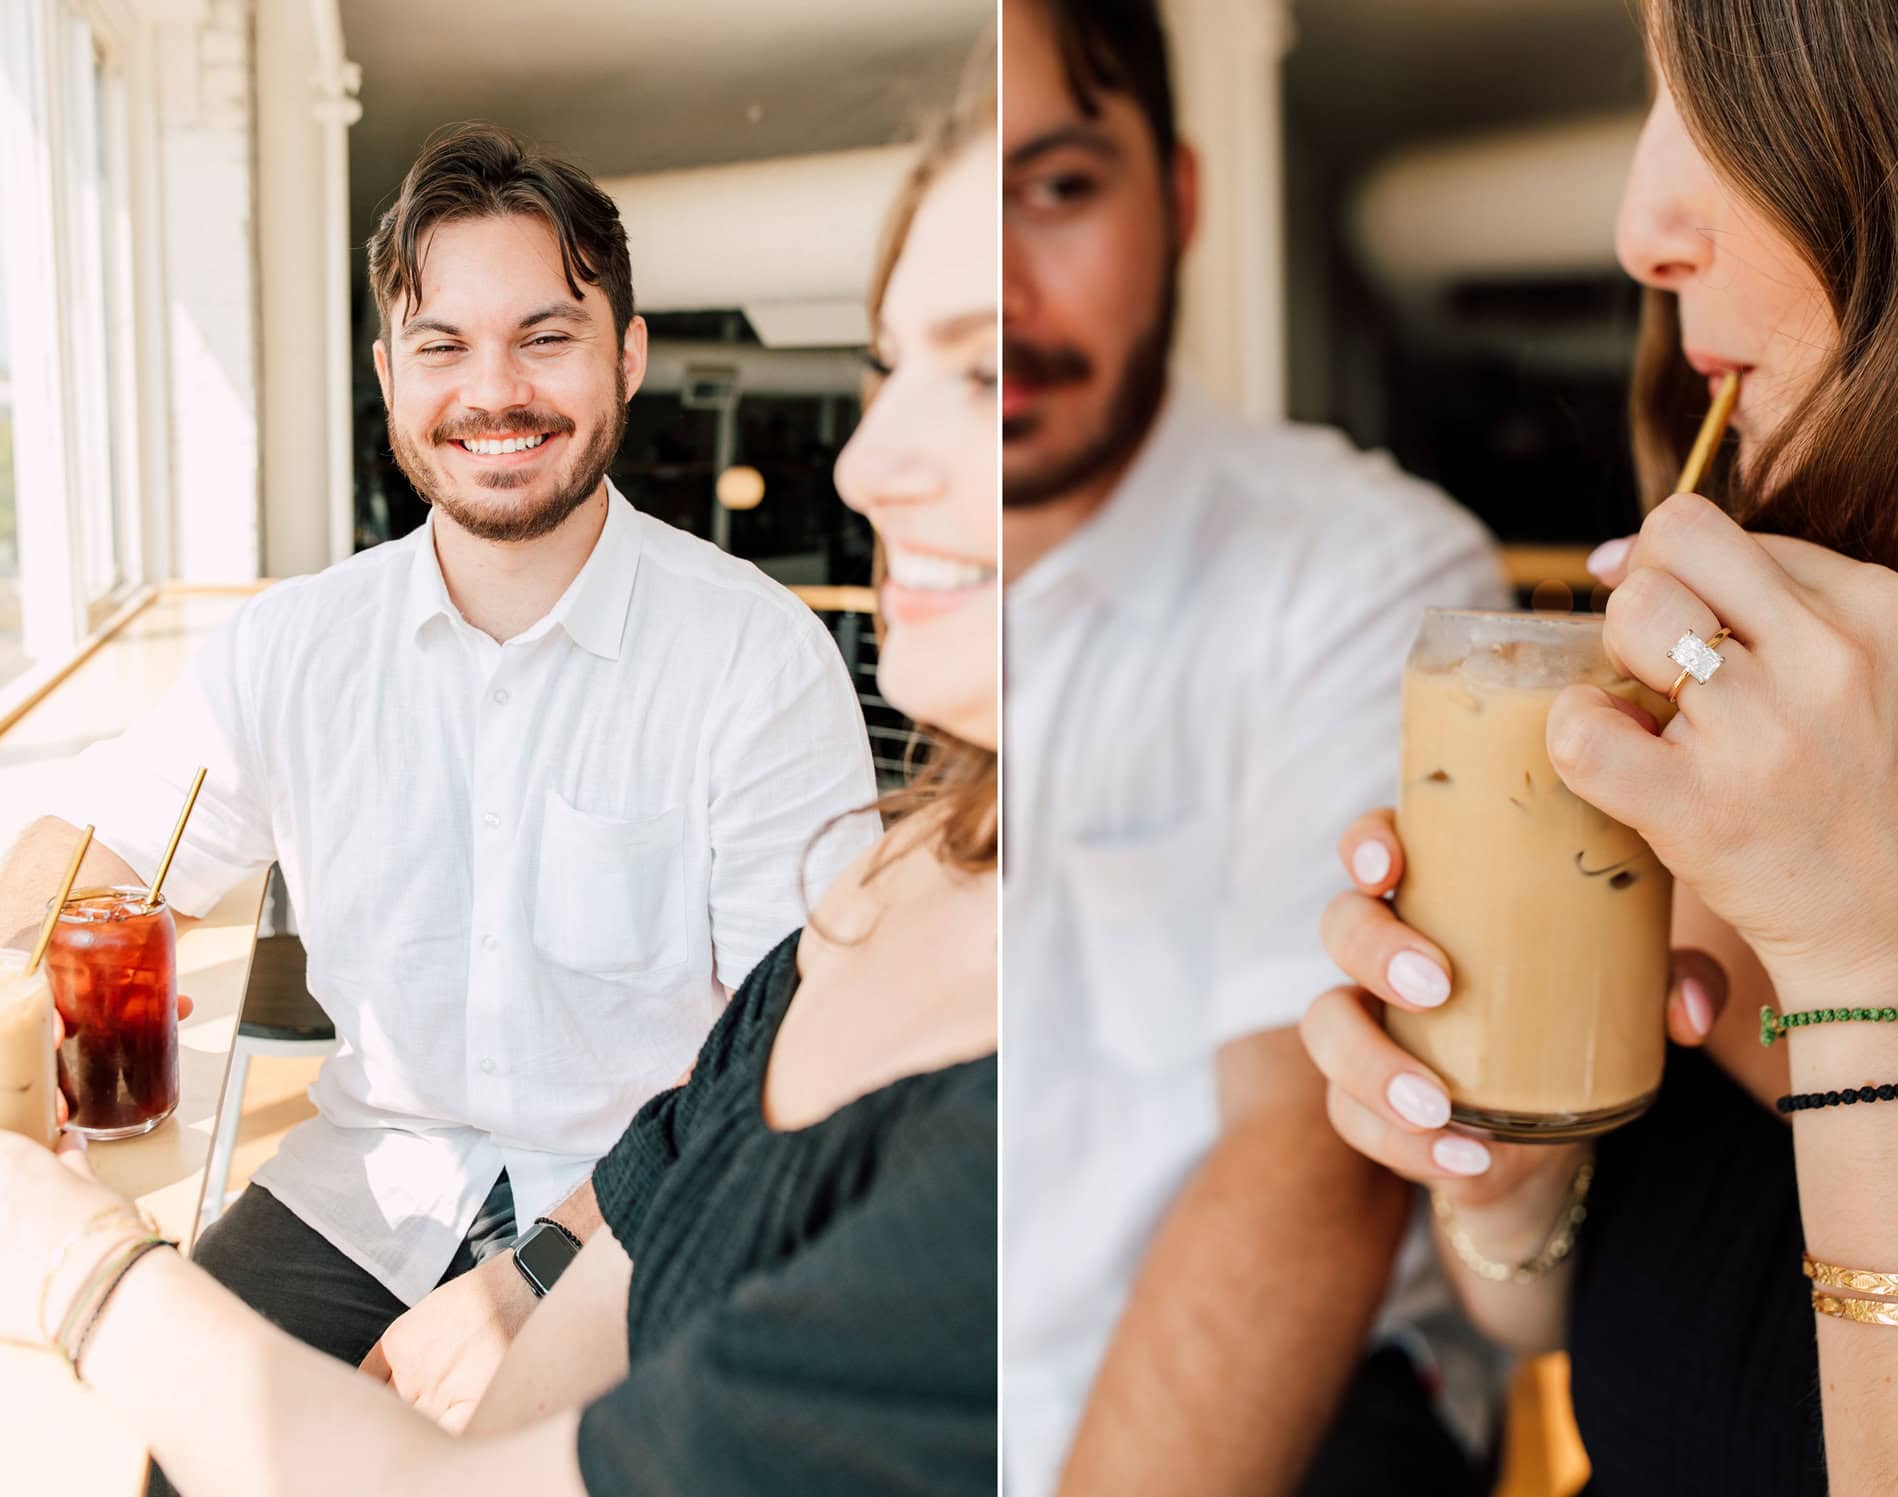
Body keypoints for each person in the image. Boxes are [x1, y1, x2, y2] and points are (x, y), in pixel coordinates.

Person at [0, 61, 997, 1497]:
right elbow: (93, 851)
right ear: (390, 375)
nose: (494, 394)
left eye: (545, 338)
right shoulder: (291, 648)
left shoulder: (755, 663)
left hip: (638, 1212)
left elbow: (784, 1066)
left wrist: (531, 1280)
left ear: (629, 357)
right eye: (443, 346)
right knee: (182, 1471)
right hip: (367, 1185)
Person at [1306, 3, 1898, 1492]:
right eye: (1653, 90)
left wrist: (1889, 977)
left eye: (1718, 93)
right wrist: (1512, 1180)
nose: (1639, 229)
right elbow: (1567, 1319)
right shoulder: (1762, 716)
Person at [1000, 2, 1510, 1493]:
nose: (1002, 284)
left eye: (1062, 190)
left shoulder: (1371, 577)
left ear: (1183, 200)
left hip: (1292, 1408)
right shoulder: (905, 599)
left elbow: (1310, 1172)